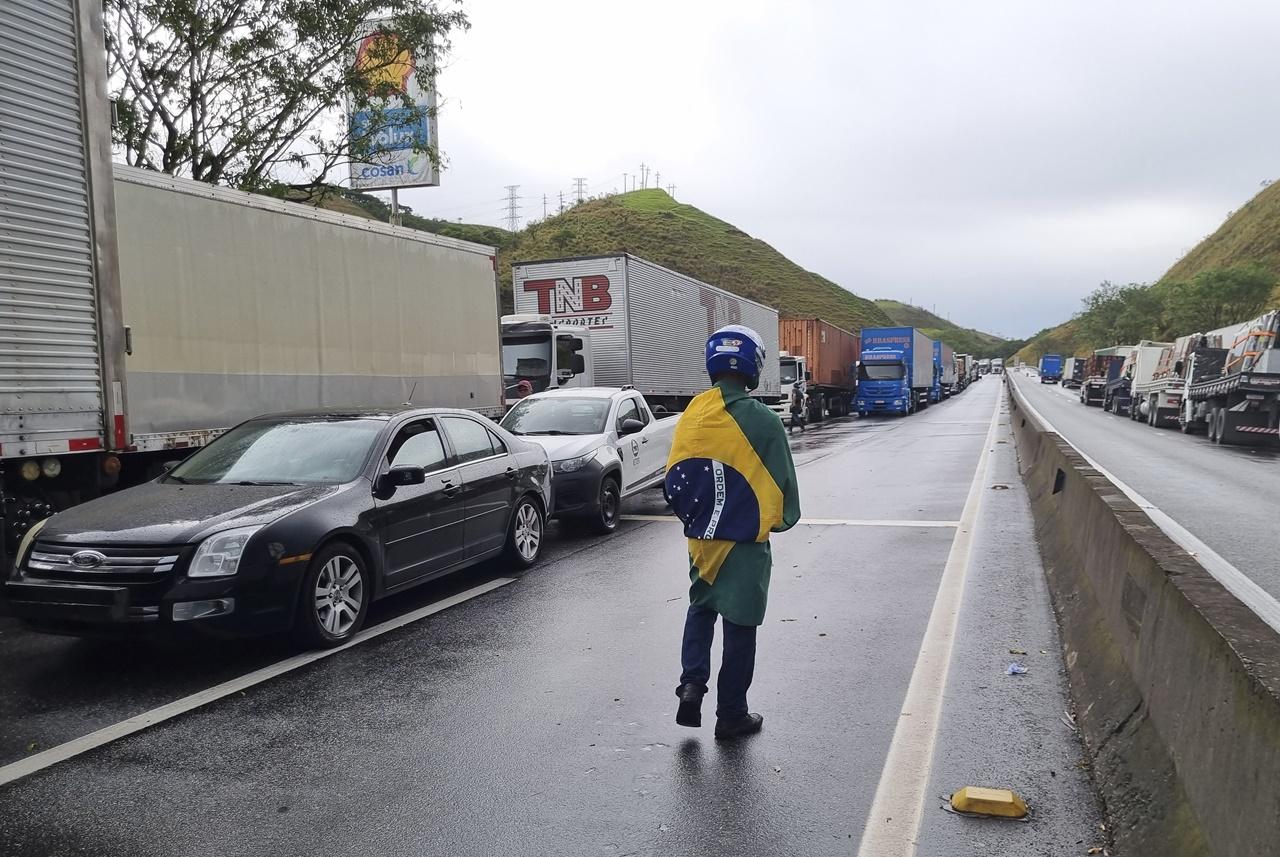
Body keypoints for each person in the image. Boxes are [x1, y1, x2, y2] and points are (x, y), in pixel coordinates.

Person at [665, 325, 802, 740]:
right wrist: (777, 520)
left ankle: (691, 685)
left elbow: (674, 476)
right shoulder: (762, 419)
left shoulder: (693, 413)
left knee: (701, 609)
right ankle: (731, 713)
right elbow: (784, 489)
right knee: (740, 626)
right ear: (754, 366)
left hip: (701, 541)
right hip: (744, 543)